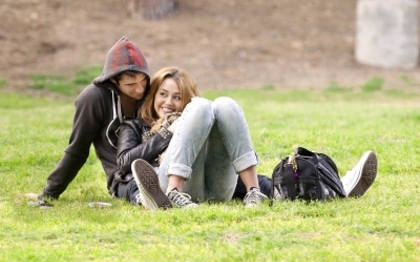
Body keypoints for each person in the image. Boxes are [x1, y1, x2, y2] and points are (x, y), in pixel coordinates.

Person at [117, 66, 378, 210]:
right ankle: (174, 191)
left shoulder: (199, 116)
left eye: (177, 97)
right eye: (163, 94)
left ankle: (335, 187)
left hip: (216, 190)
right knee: (202, 106)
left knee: (223, 104)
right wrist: (166, 133)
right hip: (166, 187)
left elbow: (224, 165)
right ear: (153, 95)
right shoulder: (135, 125)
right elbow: (126, 163)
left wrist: (278, 186)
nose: (169, 103)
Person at [33, 36, 151, 205]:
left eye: (143, 80)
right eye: (131, 85)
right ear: (113, 79)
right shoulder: (93, 99)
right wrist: (50, 193)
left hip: (160, 166)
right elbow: (78, 150)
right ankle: (144, 197)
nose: (140, 89)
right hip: (125, 178)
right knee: (135, 186)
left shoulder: (154, 92)